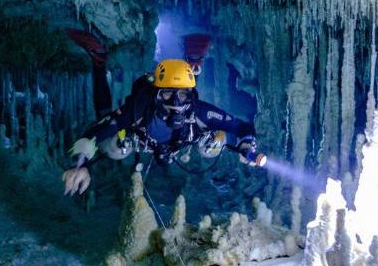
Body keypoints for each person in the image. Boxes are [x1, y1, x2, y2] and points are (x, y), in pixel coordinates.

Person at [61, 56, 264, 196]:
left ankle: (194, 61)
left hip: (184, 142)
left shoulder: (200, 111)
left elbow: (241, 126)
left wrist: (247, 145)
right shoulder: (138, 110)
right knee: (115, 149)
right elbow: (95, 131)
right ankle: (99, 62)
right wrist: (80, 164)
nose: (175, 102)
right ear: (156, 94)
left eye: (182, 94)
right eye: (167, 93)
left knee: (210, 148)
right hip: (140, 140)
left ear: (191, 95)